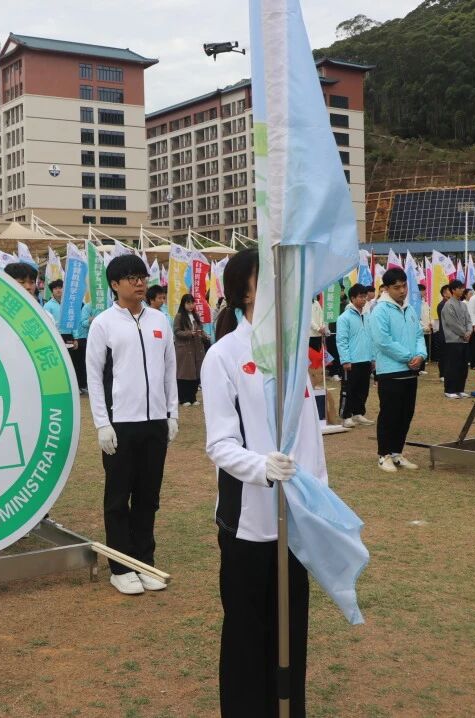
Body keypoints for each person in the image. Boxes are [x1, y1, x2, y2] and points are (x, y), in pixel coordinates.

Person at [201, 248, 321, 718]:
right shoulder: (223, 355)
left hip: (295, 518)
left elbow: (310, 433)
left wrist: (317, 492)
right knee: (247, 632)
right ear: (245, 292)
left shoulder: (292, 353)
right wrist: (262, 468)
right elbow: (220, 443)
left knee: (291, 631)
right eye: (268, 277)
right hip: (248, 520)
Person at [86, 254, 178, 595]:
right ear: (115, 284)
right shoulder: (103, 324)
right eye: (131, 278)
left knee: (148, 497)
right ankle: (121, 567)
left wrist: (171, 414)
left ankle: (144, 562)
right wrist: (102, 423)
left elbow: (169, 369)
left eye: (142, 276)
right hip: (120, 424)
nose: (140, 283)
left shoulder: (159, 320)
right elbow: (94, 377)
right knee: (118, 498)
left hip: (154, 423)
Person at [368, 268, 426, 473]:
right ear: (386, 288)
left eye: (404, 286)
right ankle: (383, 455)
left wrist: (421, 355)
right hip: (390, 371)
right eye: (397, 287)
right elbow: (383, 341)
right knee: (389, 414)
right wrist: (408, 357)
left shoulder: (410, 309)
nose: (402, 291)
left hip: (411, 371)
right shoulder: (380, 310)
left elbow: (419, 335)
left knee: (405, 414)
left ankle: (396, 452)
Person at [336, 284, 375, 428]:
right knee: (348, 389)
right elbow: (341, 340)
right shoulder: (344, 317)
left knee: (363, 389)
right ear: (352, 298)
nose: (364, 299)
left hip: (366, 359)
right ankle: (346, 416)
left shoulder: (367, 315)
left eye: (365, 296)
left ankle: (358, 413)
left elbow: (371, 337)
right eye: (360, 297)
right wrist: (345, 360)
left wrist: (373, 358)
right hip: (351, 360)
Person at [441, 280, 472, 399]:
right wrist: (464, 333)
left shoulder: (463, 305)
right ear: (453, 290)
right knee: (452, 365)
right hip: (453, 340)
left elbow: (469, 320)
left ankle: (460, 389)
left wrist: (469, 331)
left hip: (464, 340)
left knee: (463, 366)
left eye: (462, 288)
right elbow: (452, 323)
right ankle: (449, 390)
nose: (462, 290)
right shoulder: (448, 305)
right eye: (459, 288)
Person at [173, 294, 206, 406]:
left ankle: (192, 397)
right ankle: (183, 398)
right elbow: (177, 332)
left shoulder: (195, 315)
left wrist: (204, 335)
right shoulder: (179, 316)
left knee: (195, 374)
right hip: (185, 350)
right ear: (183, 304)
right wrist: (189, 333)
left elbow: (200, 329)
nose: (191, 305)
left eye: (192, 302)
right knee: (184, 374)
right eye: (188, 303)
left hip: (196, 349)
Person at [434, 284, 451, 377]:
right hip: (444, 334)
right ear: (444, 294)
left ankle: (448, 373)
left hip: (451, 334)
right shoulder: (442, 305)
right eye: (449, 290)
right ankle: (442, 374)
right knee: (444, 355)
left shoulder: (451, 303)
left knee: (449, 355)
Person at [417, 284, 430, 376]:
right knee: (419, 348)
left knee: (424, 348)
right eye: (423, 290)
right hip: (420, 329)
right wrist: (424, 326)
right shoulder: (415, 303)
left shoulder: (425, 302)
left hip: (426, 328)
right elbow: (418, 318)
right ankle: (418, 368)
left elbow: (428, 314)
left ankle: (422, 368)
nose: (425, 292)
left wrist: (430, 323)